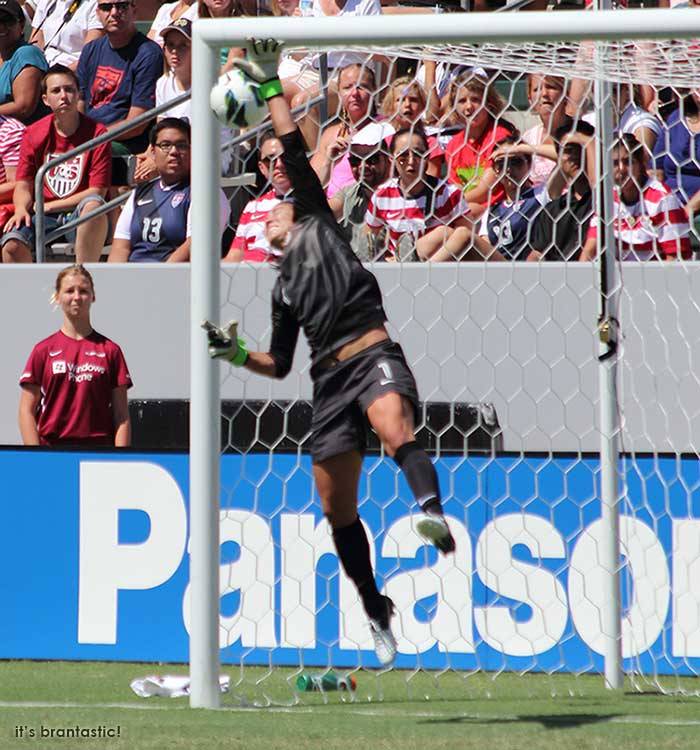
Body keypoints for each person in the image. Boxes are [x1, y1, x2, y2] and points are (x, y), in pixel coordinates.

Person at [205, 39, 456, 668]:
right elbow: (278, 363)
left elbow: (291, 145)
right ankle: (378, 611)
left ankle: (431, 513)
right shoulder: (285, 287)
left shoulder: (318, 218)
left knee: (394, 427)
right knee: (333, 505)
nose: (273, 219)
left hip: (372, 354)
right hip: (326, 383)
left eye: (280, 210)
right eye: (265, 224)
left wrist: (268, 85)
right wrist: (235, 353)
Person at [1, 64, 111, 263]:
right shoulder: (33, 133)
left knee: (94, 207)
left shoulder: (97, 133)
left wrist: (49, 207)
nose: (64, 96)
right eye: (56, 90)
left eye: (69, 89)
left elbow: (97, 192)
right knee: (11, 244)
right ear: (45, 99)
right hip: (42, 215)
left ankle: (83, 279)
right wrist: (20, 209)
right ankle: (31, 293)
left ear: (78, 94)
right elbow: (23, 185)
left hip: (79, 212)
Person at [18, 264, 132, 447]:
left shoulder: (111, 350)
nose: (77, 297)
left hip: (98, 454)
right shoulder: (43, 350)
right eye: (69, 291)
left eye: (84, 291)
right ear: (57, 297)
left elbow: (121, 416)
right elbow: (26, 411)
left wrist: (121, 459)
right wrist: (36, 457)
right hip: (52, 452)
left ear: (93, 296)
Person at [108, 117, 228, 262]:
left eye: (182, 145)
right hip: (133, 277)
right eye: (165, 145)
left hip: (175, 278)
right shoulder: (140, 192)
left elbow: (194, 246)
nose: (174, 151)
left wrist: (157, 279)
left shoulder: (205, 192)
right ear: (152, 152)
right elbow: (121, 247)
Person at [365, 127, 473, 262]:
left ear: (427, 156)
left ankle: (416, 265)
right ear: (391, 159)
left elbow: (467, 240)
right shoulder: (382, 196)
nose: (411, 161)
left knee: (446, 233)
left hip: (443, 266)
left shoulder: (448, 193)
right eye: (403, 156)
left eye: (417, 154)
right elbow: (369, 235)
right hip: (398, 269)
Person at [581, 133, 691, 262]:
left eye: (628, 162)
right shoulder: (608, 198)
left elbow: (676, 257)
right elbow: (589, 251)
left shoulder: (661, 198)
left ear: (641, 163)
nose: (621, 169)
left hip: (656, 276)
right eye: (615, 163)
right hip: (620, 277)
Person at [76, 0, 163, 158]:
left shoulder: (148, 54)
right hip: (88, 137)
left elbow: (137, 123)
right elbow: (79, 102)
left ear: (134, 11)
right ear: (98, 13)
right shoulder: (91, 49)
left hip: (123, 144)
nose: (114, 12)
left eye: (122, 6)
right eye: (106, 7)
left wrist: (91, 137)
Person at [444, 71, 515, 216]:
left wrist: (451, 203)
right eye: (462, 101)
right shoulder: (453, 145)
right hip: (464, 208)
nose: (469, 107)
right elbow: (454, 187)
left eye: (475, 100)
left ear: (488, 103)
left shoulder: (500, 136)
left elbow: (485, 191)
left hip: (497, 210)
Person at [527, 120, 596, 262]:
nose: (575, 156)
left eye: (582, 148)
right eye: (569, 150)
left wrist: (590, 143)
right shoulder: (553, 210)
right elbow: (538, 253)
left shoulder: (608, 201)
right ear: (558, 158)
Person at [223, 132, 291, 264]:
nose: (279, 164)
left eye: (285, 156)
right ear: (262, 168)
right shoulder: (252, 206)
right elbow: (234, 257)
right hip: (246, 277)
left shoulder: (308, 200)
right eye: (270, 159)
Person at [328, 125, 390, 261]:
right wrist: (329, 163)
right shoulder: (350, 193)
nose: (362, 166)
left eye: (371, 159)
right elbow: (317, 212)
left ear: (387, 158)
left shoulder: (400, 193)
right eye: (355, 161)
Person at [0, 0, 48, 123]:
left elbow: (23, 107)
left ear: (21, 25)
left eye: (7, 21)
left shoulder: (27, 54)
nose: (1, 26)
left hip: (18, 135)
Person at [29, 0, 104, 70]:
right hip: (43, 66)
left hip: (70, 71)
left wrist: (56, 76)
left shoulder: (95, 5)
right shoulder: (47, 2)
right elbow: (35, 45)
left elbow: (89, 57)